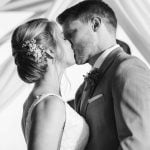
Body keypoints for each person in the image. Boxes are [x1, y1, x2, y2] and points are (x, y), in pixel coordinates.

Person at [57, 1, 150, 150]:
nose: (67, 44)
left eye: (71, 34)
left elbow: (137, 143)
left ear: (95, 24)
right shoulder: (83, 87)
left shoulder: (128, 69)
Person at [11, 18, 89, 150]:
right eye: (63, 38)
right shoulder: (50, 103)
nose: (71, 42)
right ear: (50, 52)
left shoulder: (39, 99)